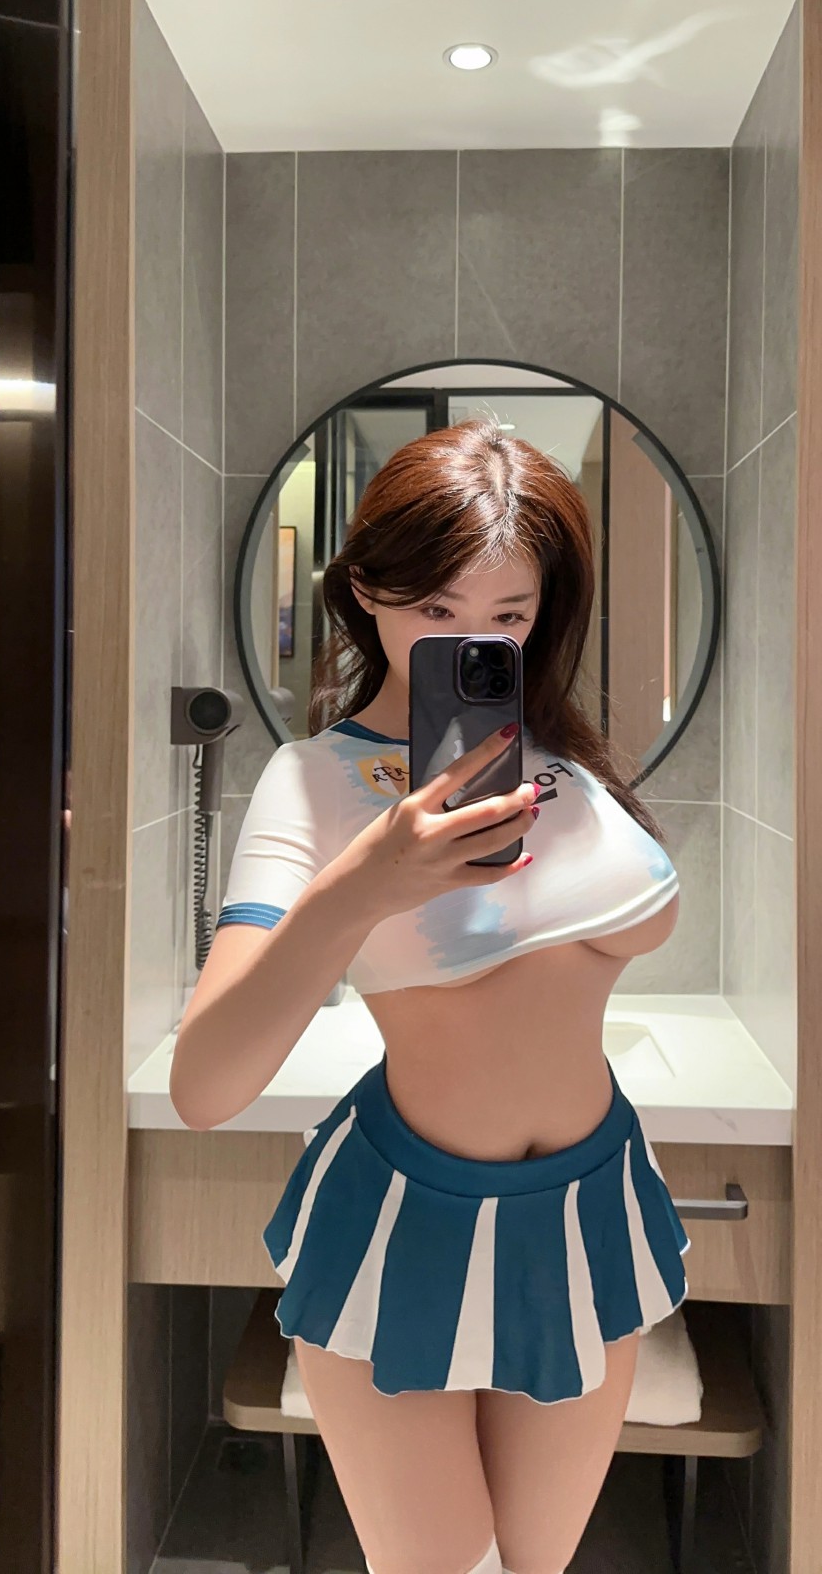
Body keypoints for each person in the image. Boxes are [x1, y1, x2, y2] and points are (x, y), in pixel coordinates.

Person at [170, 419, 688, 1574]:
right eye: (437, 609)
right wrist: (364, 886)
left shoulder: (564, 771)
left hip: (588, 1199)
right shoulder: (313, 782)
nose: (473, 643)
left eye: (508, 615)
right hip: (405, 1212)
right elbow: (205, 1085)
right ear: (367, 592)